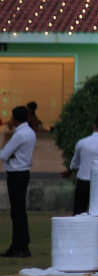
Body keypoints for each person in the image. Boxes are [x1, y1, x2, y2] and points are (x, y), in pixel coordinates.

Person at [2, 104, 37, 257]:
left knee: (17, 212)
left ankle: (19, 247)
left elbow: (3, 154)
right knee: (20, 211)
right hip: (23, 173)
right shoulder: (30, 132)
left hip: (16, 174)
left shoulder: (19, 134)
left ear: (15, 119)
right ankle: (20, 245)